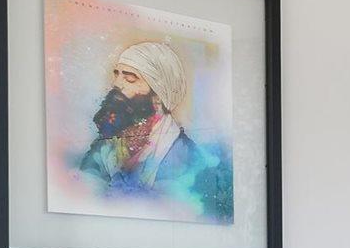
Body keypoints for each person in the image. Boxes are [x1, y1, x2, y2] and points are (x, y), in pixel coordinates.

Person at [75, 38, 232, 221]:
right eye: (116, 74)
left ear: (158, 95)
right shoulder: (104, 145)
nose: (117, 83)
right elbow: (83, 193)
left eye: (130, 78)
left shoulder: (187, 157)